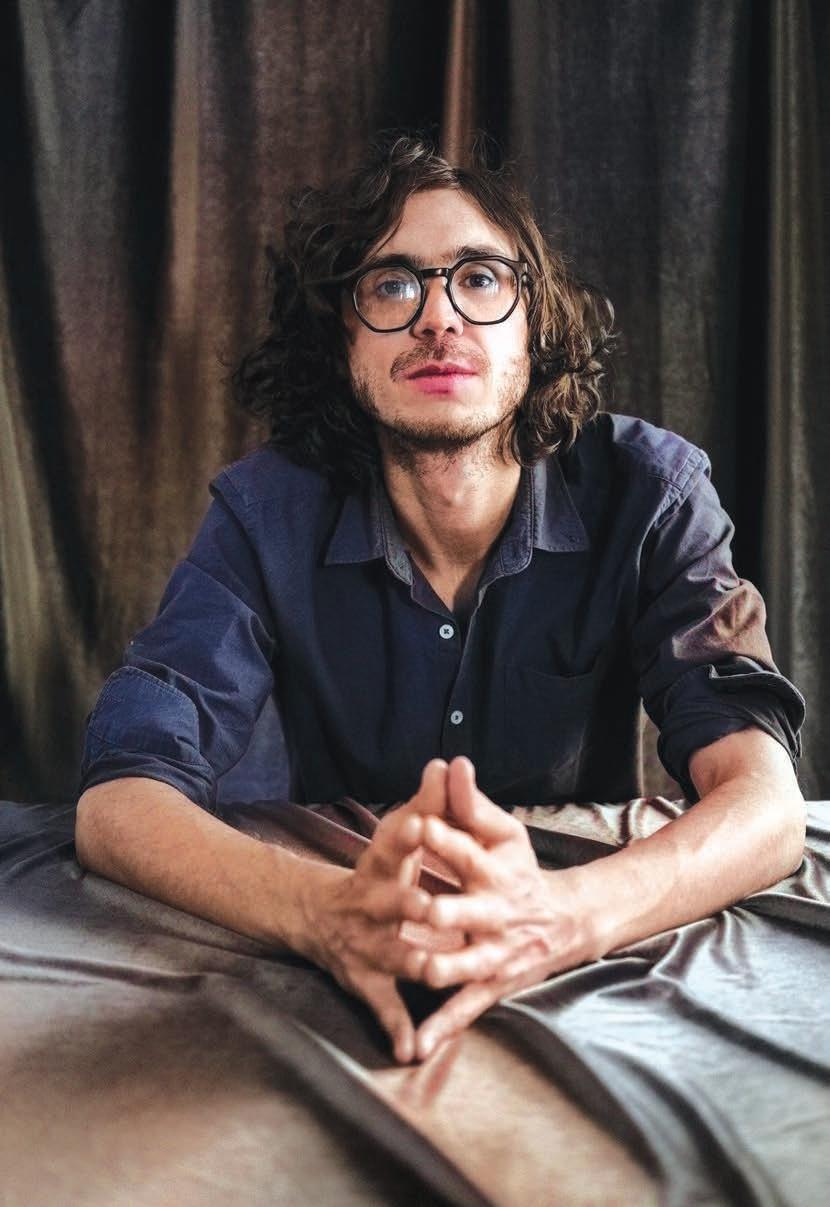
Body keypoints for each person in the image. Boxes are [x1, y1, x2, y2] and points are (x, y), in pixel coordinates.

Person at [75, 134, 806, 1065]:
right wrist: (326, 913)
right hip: (341, 957)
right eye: (392, 285)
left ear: (533, 325)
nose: (438, 318)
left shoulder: (652, 493)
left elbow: (768, 803)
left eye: (480, 278)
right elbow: (118, 800)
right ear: (342, 341)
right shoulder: (265, 515)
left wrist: (563, 915)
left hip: (589, 975)